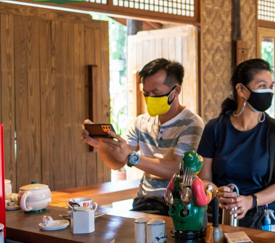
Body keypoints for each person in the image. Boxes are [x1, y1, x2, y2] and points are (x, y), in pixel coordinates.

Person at [81, 58, 204, 215]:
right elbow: (117, 163)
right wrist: (101, 145)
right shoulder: (141, 122)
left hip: (177, 207)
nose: (150, 98)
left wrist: (133, 158)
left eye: (156, 92)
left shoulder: (192, 124)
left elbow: (177, 169)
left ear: (176, 90)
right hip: (145, 203)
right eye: (146, 93)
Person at [197, 59, 275, 231]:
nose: (269, 91)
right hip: (221, 220)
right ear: (241, 90)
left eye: (271, 86)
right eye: (262, 85)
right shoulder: (215, 128)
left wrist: (251, 201)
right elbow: (204, 179)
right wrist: (216, 191)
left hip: (265, 220)